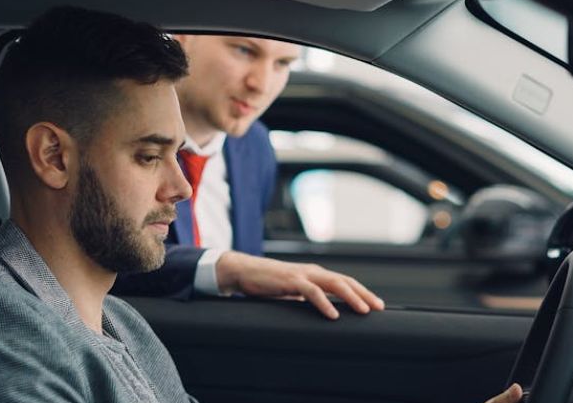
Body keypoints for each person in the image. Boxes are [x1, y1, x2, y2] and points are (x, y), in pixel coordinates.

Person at [0, 6, 573, 403]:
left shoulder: (120, 325)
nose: (179, 186)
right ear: (53, 156)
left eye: (178, 155)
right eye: (148, 156)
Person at [110, 34, 380, 320]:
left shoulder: (255, 146)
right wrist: (227, 268)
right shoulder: (118, 130)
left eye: (283, 63)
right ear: (183, 39)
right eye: (244, 51)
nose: (261, 85)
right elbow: (100, 256)